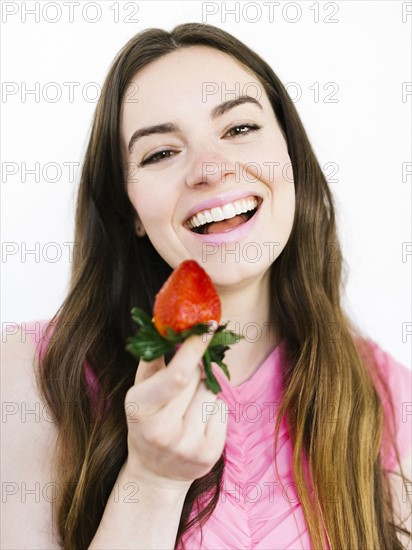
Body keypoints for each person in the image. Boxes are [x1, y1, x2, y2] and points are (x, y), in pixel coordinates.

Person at [2, 22, 411, 549]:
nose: (211, 168)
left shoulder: (391, 398)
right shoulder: (32, 376)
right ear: (130, 210)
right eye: (160, 153)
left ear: (290, 156)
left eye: (239, 129)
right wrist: (152, 480)